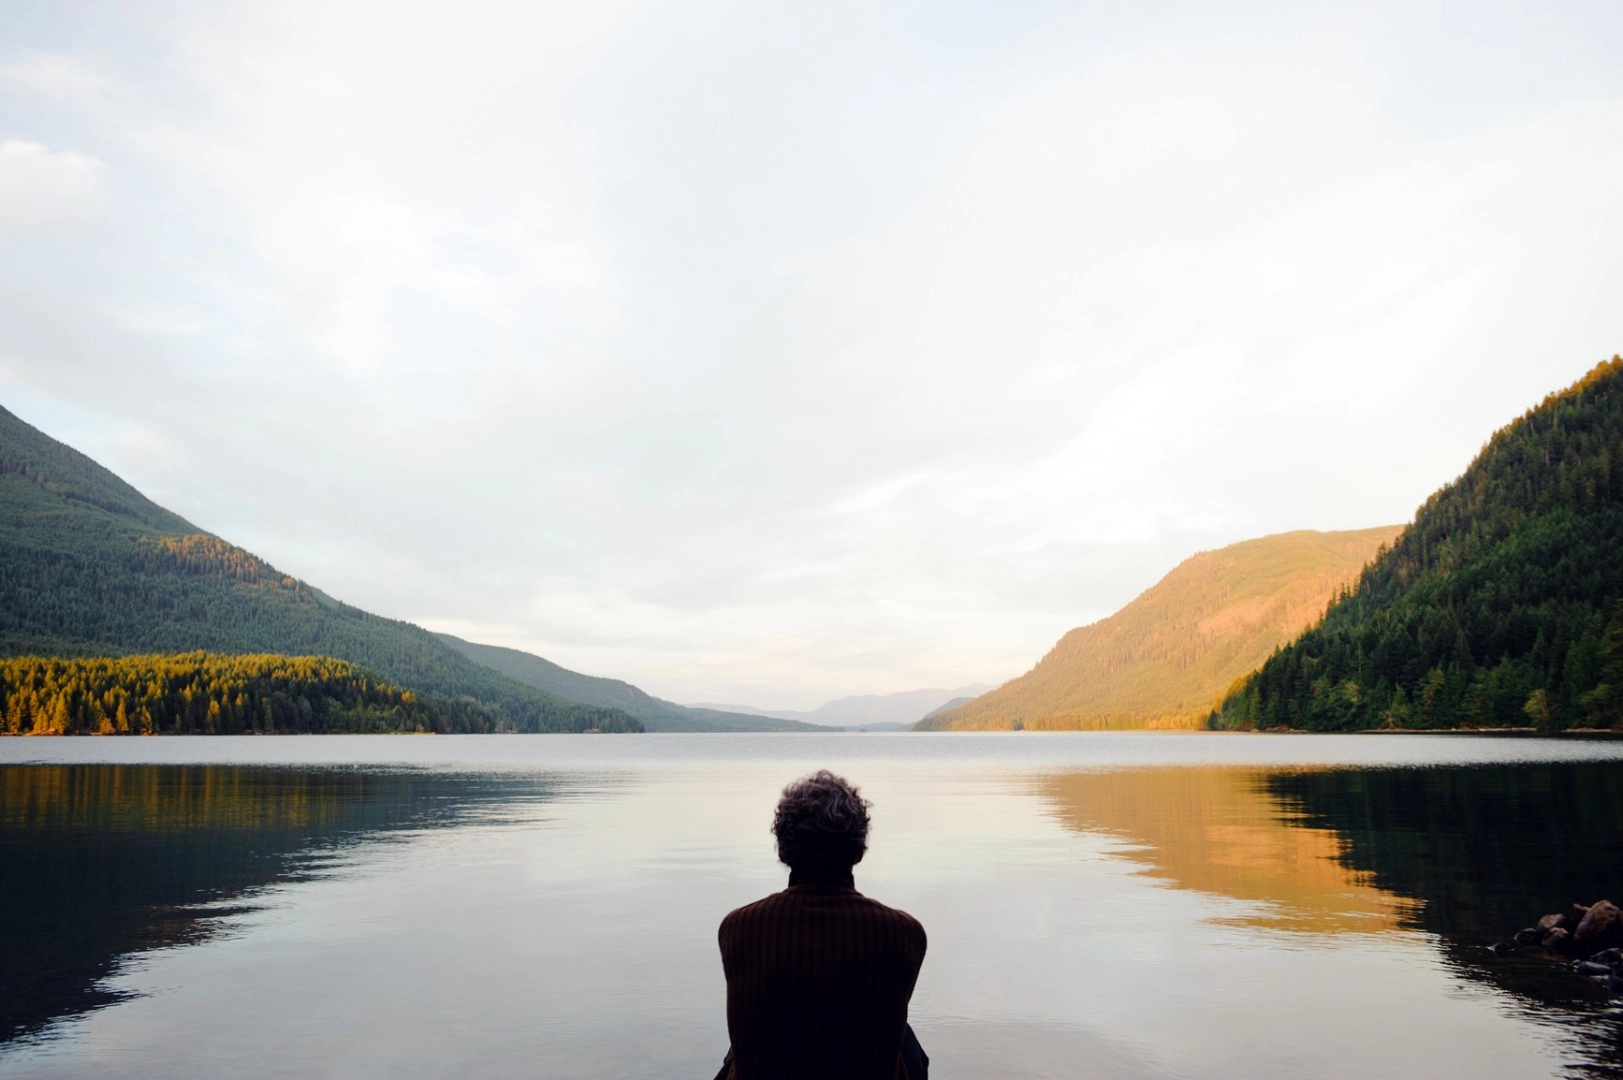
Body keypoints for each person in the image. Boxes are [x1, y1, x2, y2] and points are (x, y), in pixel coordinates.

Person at [713, 770, 928, 1080]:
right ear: (859, 850)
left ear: (783, 850)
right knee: (904, 1036)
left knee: (743, 1043)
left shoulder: (739, 927)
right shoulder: (902, 933)